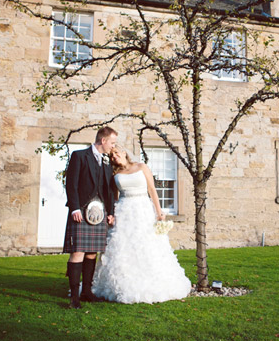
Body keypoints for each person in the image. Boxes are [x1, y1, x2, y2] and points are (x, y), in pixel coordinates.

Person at [92, 145, 192, 304]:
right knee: (124, 246)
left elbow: (152, 190)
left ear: (124, 153)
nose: (114, 157)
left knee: (147, 244)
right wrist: (111, 213)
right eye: (111, 156)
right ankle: (122, 282)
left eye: (116, 153)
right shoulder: (115, 173)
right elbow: (114, 196)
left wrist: (159, 212)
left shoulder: (142, 167)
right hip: (124, 211)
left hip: (143, 209)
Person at [63, 127, 118, 309]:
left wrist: (110, 212)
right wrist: (74, 208)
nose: (113, 146)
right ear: (103, 141)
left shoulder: (106, 162)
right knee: (78, 251)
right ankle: (74, 297)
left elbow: (109, 190)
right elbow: (71, 184)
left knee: (92, 252)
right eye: (112, 142)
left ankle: (87, 292)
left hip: (100, 212)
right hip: (81, 210)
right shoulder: (79, 156)